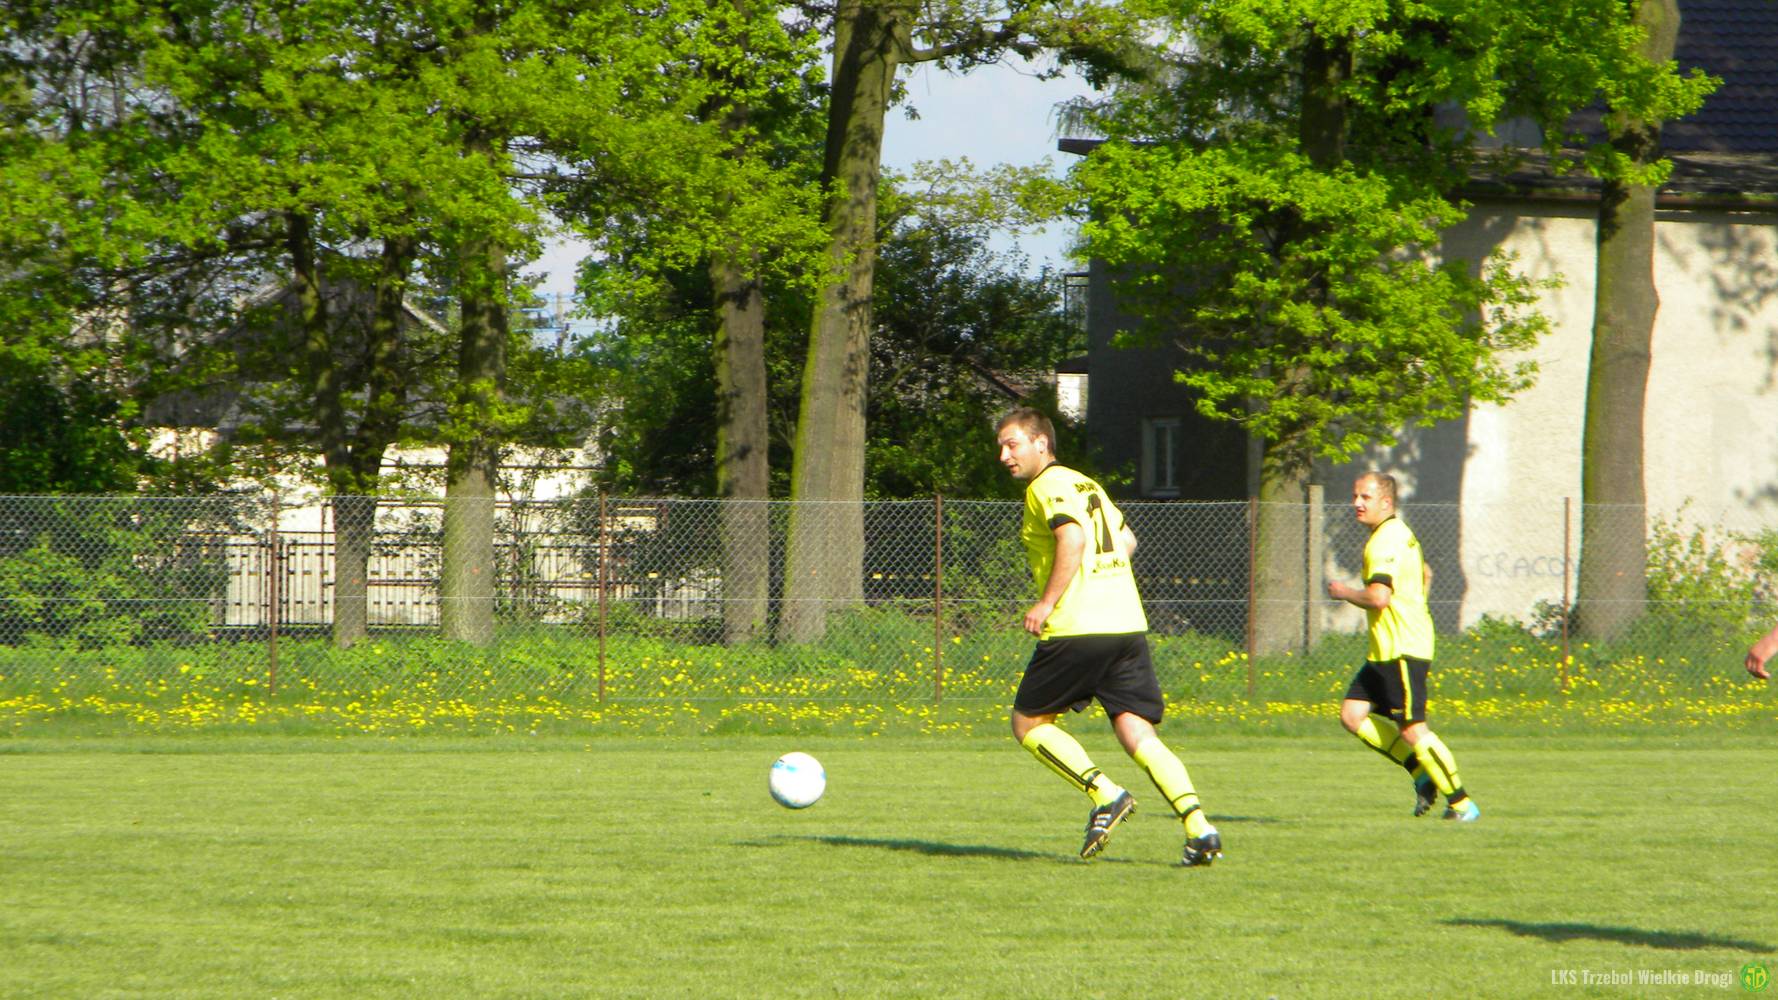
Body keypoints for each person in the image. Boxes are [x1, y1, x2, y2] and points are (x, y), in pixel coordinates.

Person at [995, 407, 1223, 866]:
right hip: (1125, 623)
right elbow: (1128, 542)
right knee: (1137, 731)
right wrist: (1104, 579)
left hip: (1079, 626)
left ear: (1041, 443)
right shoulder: (1087, 484)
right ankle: (1200, 829)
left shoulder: (1046, 486)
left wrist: (1047, 602)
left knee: (1028, 724)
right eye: (1001, 447)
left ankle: (1106, 794)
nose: (1004, 455)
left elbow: (1073, 539)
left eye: (1012, 444)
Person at [1325, 472, 1480, 822]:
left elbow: (1379, 597)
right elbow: (1425, 573)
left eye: (1365, 497)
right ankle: (1422, 773)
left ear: (1386, 502)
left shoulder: (1385, 541)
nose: (1356, 503)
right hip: (1385, 650)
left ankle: (1461, 804)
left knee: (1412, 728)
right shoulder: (1398, 534)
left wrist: (1343, 592)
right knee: (1352, 715)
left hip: (1402, 650)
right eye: (1355, 496)